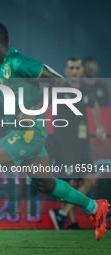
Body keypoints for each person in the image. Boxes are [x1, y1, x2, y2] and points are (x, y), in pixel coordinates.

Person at [0, 22, 109, 250]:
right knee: (46, 183)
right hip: (17, 131)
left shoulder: (19, 61)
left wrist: (34, 111)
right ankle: (95, 207)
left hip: (29, 133)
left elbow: (59, 81)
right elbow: (1, 88)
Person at [49, 57, 107, 230]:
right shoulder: (59, 87)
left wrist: (100, 127)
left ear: (82, 70)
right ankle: (71, 221)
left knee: (89, 179)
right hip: (64, 143)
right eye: (71, 68)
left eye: (77, 67)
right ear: (66, 71)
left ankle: (62, 214)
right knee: (70, 182)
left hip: (83, 143)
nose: (74, 71)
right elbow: (45, 103)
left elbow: (95, 105)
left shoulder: (87, 88)